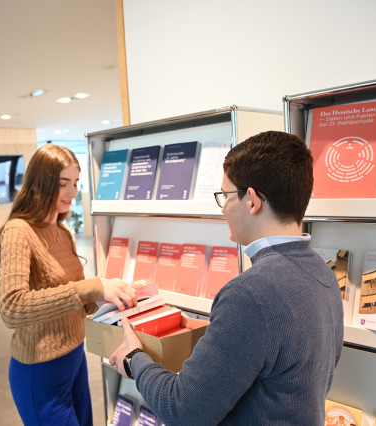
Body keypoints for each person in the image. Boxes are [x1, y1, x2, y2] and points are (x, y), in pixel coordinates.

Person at [109, 131, 344, 425]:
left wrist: (135, 359)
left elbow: (183, 411)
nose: (223, 209)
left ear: (252, 200)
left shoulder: (251, 294)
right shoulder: (324, 274)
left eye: (225, 196)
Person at [0, 143, 137, 426]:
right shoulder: (19, 231)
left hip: (74, 358)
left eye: (76, 183)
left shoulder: (62, 230)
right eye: (63, 184)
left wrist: (109, 295)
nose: (73, 192)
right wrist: (90, 288)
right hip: (39, 369)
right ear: (41, 184)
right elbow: (11, 308)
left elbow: (73, 298)